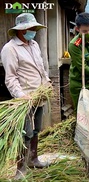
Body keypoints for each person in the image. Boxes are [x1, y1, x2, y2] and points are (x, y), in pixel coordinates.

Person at [1, 13, 51, 179]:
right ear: (22, 30)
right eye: (32, 28)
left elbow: (41, 67)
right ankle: (20, 168)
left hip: (39, 96)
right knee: (25, 133)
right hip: (25, 99)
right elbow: (10, 77)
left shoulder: (34, 44)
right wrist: (21, 96)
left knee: (36, 130)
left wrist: (47, 82)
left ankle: (33, 159)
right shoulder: (10, 49)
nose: (34, 31)